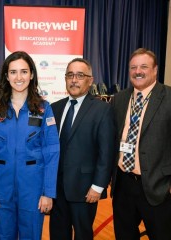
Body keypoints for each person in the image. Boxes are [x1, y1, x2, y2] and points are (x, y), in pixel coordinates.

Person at [111, 48, 171, 239]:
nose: (138, 71)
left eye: (144, 66)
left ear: (155, 70)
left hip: (158, 186)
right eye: (133, 67)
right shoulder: (119, 99)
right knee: (124, 234)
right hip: (123, 184)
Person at [0, 51, 60, 239]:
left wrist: (48, 192)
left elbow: (52, 151)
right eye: (13, 72)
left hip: (33, 189)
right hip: (0, 189)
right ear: (6, 76)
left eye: (24, 72)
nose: (19, 77)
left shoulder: (43, 108)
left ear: (31, 75)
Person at [49, 58, 116, 240]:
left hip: (85, 189)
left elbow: (106, 152)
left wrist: (98, 186)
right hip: (56, 189)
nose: (74, 80)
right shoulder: (54, 108)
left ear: (90, 80)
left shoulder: (102, 110)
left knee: (83, 235)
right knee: (57, 234)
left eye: (80, 75)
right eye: (70, 75)